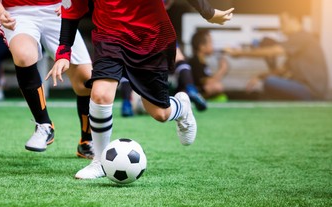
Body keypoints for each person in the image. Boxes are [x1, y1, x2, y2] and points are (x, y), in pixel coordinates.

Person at [47, 0, 234, 179]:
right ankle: (99, 162)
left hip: (150, 38)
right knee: (100, 94)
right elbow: (72, 8)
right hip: (109, 36)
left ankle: (182, 107)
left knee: (160, 113)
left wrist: (208, 12)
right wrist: (64, 51)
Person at [0, 0, 94, 158]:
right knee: (23, 55)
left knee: (86, 81)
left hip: (57, 9)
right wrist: (0, 11)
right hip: (17, 13)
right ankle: (44, 124)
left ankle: (87, 141)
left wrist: (70, 3)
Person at [120, 0, 208, 117]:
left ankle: (126, 103)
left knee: (127, 62)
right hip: (157, 25)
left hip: (136, 25)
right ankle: (191, 90)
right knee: (178, 57)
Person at [224, 12, 329, 101]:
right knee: (270, 80)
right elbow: (283, 70)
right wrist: (259, 76)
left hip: (311, 91)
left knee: (270, 82)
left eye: (283, 22)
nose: (281, 26)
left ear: (294, 21)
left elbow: (273, 51)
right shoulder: (296, 45)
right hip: (306, 89)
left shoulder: (301, 37)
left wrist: (240, 53)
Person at [189, 29, 229, 101]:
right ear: (202, 47)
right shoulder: (195, 62)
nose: (213, 46)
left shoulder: (202, 62)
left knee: (220, 90)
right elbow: (208, 84)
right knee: (218, 86)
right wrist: (222, 69)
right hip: (193, 95)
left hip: (201, 93)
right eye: (210, 42)